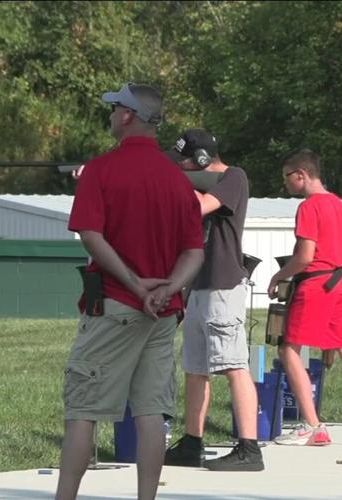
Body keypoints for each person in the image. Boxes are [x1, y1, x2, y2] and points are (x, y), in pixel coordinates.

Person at [56, 83, 204, 500]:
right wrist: (168, 287)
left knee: (83, 410)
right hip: (163, 312)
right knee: (151, 412)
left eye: (114, 108)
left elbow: (91, 235)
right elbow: (194, 250)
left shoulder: (101, 169)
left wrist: (135, 283)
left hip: (115, 305)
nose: (110, 114)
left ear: (126, 115)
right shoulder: (178, 181)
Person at [267, 148, 342, 447]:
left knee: (289, 350)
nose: (286, 184)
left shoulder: (309, 207)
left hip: (314, 285)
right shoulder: (338, 204)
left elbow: (305, 256)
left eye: (287, 178)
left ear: (301, 175)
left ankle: (312, 426)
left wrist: (279, 276)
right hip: (339, 283)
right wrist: (333, 255)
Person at [162, 129, 264, 471]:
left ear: (202, 160)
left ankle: (249, 448)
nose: (181, 166)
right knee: (195, 368)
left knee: (234, 365)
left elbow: (201, 204)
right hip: (197, 284)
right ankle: (192, 442)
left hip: (222, 283)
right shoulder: (200, 179)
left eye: (185, 161)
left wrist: (171, 181)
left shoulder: (234, 177)